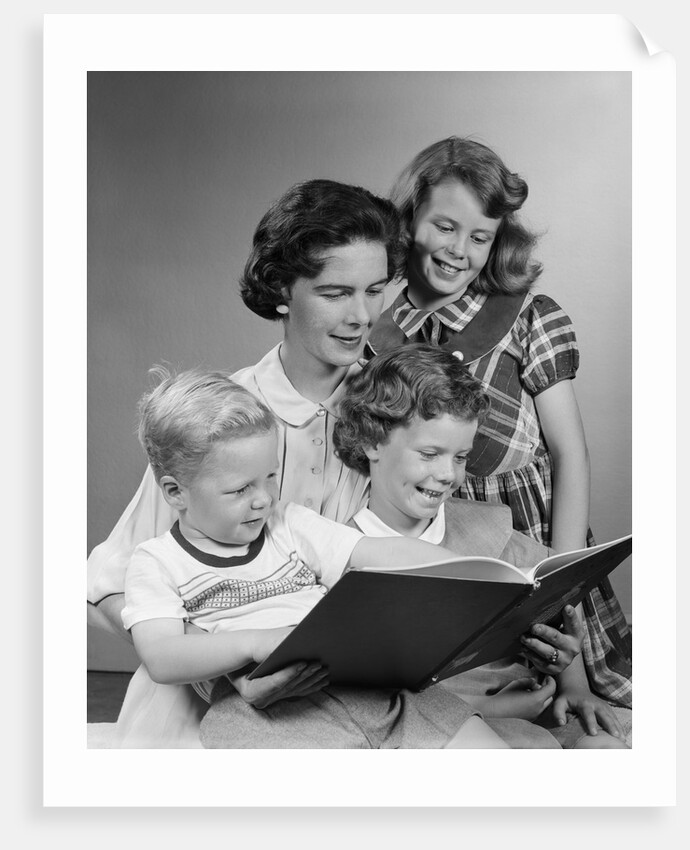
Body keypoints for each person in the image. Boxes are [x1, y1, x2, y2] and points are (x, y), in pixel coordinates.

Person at [87, 179, 407, 745]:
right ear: (283, 290)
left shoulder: (395, 411)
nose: (362, 316)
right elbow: (109, 583)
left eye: (375, 290)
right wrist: (230, 667)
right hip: (201, 715)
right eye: (336, 293)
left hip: (352, 700)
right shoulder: (221, 419)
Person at [367, 137, 632, 709]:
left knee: (572, 694)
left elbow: (569, 454)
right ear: (409, 218)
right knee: (455, 694)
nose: (458, 249)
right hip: (438, 540)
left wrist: (561, 574)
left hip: (531, 538)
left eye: (479, 236)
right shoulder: (376, 334)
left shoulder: (524, 319)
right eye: (444, 226)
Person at [125, 366, 511, 749]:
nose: (263, 499)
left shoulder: (287, 523)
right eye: (240, 489)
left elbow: (375, 552)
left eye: (270, 477)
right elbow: (162, 656)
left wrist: (477, 573)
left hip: (365, 687)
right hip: (266, 713)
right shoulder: (156, 562)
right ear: (176, 492)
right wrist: (258, 644)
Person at [333, 344, 631, 748]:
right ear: (372, 442)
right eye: (429, 454)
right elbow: (365, 699)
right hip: (447, 735)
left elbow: (556, 617)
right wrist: (492, 711)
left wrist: (570, 676)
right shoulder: (343, 555)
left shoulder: (493, 528)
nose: (446, 474)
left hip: (537, 712)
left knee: (607, 751)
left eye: (461, 457)